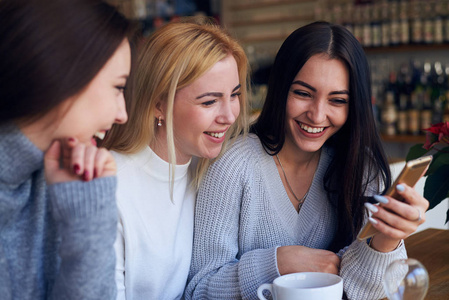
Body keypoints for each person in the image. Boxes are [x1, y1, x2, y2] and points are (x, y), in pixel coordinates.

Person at [186, 21, 429, 300]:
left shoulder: (361, 167)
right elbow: (199, 289)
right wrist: (281, 263)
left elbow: (362, 292)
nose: (316, 115)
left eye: (337, 100)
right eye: (303, 93)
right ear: (280, 90)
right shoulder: (234, 164)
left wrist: (386, 238)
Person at [100, 19, 249, 300]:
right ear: (158, 104)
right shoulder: (109, 185)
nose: (229, 116)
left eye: (235, 95)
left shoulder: (210, 170)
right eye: (209, 101)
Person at [0, 0, 135, 298]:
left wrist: (89, 224)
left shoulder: (63, 177)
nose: (122, 114)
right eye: (118, 87)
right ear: (62, 74)